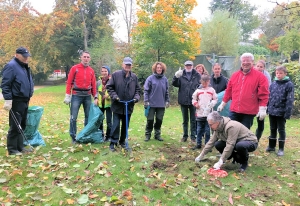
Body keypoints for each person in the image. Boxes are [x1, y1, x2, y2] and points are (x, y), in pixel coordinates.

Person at [217, 53, 269, 129]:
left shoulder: (260, 77)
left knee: (243, 133)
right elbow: (229, 91)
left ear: (252, 62)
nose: (245, 63)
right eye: (243, 61)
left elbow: (263, 94)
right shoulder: (235, 75)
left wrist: (262, 108)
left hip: (249, 111)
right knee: (230, 130)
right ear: (241, 62)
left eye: (248, 61)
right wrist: (223, 103)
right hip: (234, 110)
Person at [1, 47, 34, 155]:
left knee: (22, 125)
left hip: (25, 100)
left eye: (27, 56)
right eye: (24, 56)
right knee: (15, 125)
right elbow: (5, 84)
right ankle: (12, 149)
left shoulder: (23, 66)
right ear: (17, 55)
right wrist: (8, 100)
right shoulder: (11, 66)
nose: (26, 58)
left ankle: (20, 147)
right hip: (16, 100)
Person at [106, 57, 141, 151]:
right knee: (116, 125)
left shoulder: (134, 77)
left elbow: (138, 90)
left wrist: (136, 98)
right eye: (126, 64)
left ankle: (122, 142)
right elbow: (109, 87)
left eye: (129, 65)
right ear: (123, 65)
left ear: (131, 66)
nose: (128, 66)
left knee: (125, 125)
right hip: (117, 105)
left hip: (128, 106)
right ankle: (113, 142)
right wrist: (115, 96)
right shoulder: (116, 75)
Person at [63, 51, 97, 143]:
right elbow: (69, 82)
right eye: (84, 57)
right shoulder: (75, 68)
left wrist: (95, 96)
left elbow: (93, 84)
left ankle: (85, 135)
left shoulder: (91, 70)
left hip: (87, 95)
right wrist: (67, 95)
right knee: (73, 117)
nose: (86, 59)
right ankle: (73, 137)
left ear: (89, 59)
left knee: (88, 117)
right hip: (76, 95)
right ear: (81, 58)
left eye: (88, 57)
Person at [266, 66, 294, 156]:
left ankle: (281, 148)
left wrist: (287, 112)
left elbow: (290, 99)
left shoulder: (289, 84)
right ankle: (271, 146)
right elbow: (269, 97)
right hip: (272, 110)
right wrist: (267, 108)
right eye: (277, 73)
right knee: (272, 128)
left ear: (285, 74)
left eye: (281, 73)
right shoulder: (273, 84)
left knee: (281, 129)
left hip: (282, 111)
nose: (278, 75)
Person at [172, 60, 201, 142]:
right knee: (185, 120)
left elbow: (200, 85)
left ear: (192, 66)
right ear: (184, 66)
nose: (188, 67)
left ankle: (193, 137)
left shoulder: (197, 75)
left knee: (193, 120)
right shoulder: (181, 74)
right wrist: (176, 76)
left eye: (190, 65)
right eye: (187, 65)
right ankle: (185, 136)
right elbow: (175, 84)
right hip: (183, 100)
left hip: (193, 101)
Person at [144, 62, 170, 142]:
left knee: (159, 120)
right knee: (150, 120)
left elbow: (167, 91)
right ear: (155, 69)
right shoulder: (150, 78)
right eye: (157, 68)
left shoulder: (165, 79)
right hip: (151, 104)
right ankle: (147, 135)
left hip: (161, 104)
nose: (159, 69)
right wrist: (146, 100)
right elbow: (146, 90)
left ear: (163, 69)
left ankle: (157, 135)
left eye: (160, 68)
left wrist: (167, 101)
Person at [192, 75, 217, 150]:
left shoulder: (212, 90)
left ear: (209, 81)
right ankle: (198, 143)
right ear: (201, 82)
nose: (204, 84)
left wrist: (212, 104)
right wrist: (196, 104)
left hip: (209, 114)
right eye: (203, 82)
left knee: (207, 130)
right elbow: (193, 99)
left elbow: (215, 99)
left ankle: (207, 145)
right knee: (199, 129)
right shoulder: (198, 91)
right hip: (200, 113)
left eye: (206, 82)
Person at [254, 60, 271, 141]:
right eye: (258, 66)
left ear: (264, 68)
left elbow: (267, 89)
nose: (259, 68)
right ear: (255, 66)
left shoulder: (266, 76)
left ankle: (257, 138)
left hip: (261, 101)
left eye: (261, 67)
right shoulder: (251, 73)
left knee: (260, 120)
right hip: (251, 100)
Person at [95, 65, 112, 142]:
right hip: (100, 105)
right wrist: (96, 98)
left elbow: (114, 91)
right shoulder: (98, 82)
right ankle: (101, 135)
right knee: (100, 121)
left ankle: (108, 136)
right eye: (102, 71)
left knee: (109, 121)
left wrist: (108, 96)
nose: (104, 72)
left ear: (108, 72)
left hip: (109, 104)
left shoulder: (112, 81)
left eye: (105, 71)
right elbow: (95, 91)